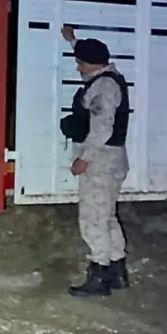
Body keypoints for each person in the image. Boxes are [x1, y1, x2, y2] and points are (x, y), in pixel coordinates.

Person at [60, 24, 131, 297]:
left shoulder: (104, 87)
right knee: (107, 216)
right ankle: (117, 271)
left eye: (80, 64)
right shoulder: (108, 76)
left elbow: (102, 128)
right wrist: (72, 40)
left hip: (100, 161)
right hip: (112, 160)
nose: (78, 68)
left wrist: (84, 159)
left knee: (92, 219)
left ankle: (99, 275)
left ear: (91, 64)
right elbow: (88, 55)